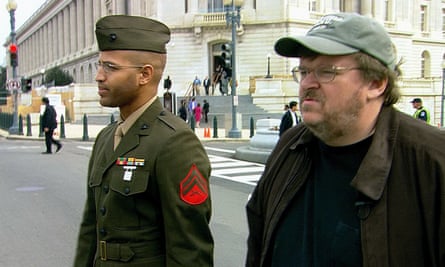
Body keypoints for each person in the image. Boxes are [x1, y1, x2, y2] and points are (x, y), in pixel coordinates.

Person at [246, 13, 445, 267]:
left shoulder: (432, 162)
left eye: (326, 72)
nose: (307, 83)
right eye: (304, 71)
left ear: (376, 83)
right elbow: (257, 247)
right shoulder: (290, 146)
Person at [74, 15, 213, 266]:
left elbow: (189, 251)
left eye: (111, 67)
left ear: (145, 75)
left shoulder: (175, 143)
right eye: (100, 65)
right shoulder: (106, 138)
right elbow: (90, 229)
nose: (99, 76)